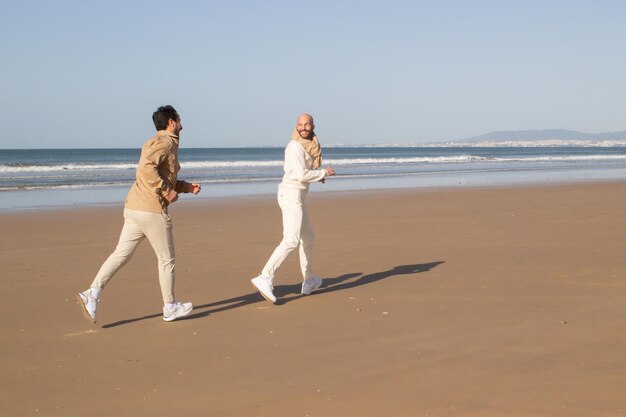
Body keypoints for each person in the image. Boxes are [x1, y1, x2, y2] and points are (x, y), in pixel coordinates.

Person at [76, 105, 201, 323]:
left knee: (121, 254)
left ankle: (92, 294)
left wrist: (186, 187)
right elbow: (145, 169)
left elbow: (160, 175)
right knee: (166, 260)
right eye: (179, 118)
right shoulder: (164, 143)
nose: (182, 121)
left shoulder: (160, 142)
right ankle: (170, 306)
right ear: (171, 122)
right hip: (151, 211)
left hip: (135, 208)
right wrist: (166, 191)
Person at [251, 113, 336, 303]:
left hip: (297, 196)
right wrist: (324, 172)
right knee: (291, 240)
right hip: (290, 196)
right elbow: (300, 175)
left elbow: (304, 172)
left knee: (309, 237)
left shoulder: (311, 147)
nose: (303, 127)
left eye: (306, 124)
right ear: (296, 127)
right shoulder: (294, 147)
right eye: (300, 124)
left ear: (313, 126)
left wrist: (317, 175)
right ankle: (265, 276)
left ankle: (308, 279)